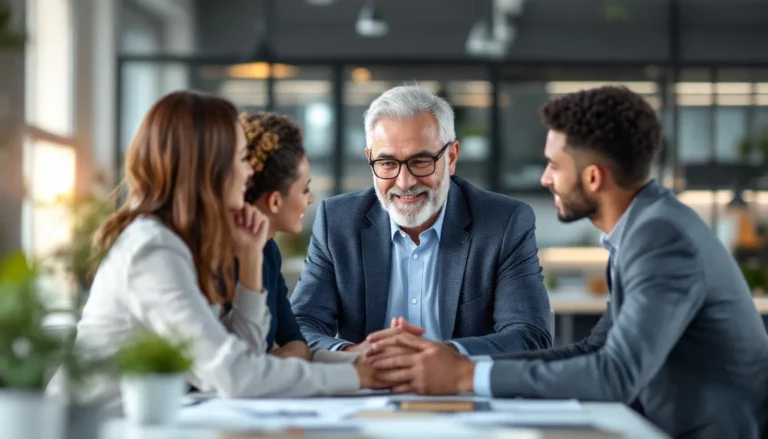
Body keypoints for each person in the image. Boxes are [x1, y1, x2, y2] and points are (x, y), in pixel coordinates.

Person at [366, 86, 768, 439]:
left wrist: (464, 376)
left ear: (593, 178)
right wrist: (458, 362)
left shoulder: (659, 237)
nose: (545, 178)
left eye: (554, 165)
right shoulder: (648, 226)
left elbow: (615, 375)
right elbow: (595, 349)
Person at [46, 91, 379, 415]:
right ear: (209, 168)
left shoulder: (187, 243)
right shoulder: (152, 250)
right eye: (239, 158)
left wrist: (250, 262)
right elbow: (234, 376)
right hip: (96, 428)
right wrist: (356, 375)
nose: (249, 172)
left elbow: (243, 355)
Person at [290, 84, 552, 357]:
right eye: (387, 163)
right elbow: (299, 326)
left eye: (421, 161)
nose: (404, 182)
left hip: (461, 392)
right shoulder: (338, 222)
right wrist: (353, 355)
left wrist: (445, 355)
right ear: (370, 159)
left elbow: (529, 335)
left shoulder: (503, 223)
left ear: (451, 157)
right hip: (367, 391)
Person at [236, 111, 313, 361]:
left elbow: (297, 343)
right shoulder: (213, 255)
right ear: (275, 201)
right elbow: (242, 364)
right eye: (305, 189)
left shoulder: (269, 252)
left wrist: (266, 367)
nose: (311, 200)